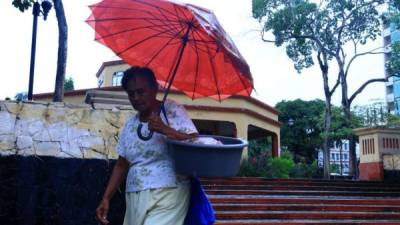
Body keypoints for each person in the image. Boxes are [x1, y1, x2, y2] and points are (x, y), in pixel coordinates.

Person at [95, 66, 198, 225]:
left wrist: (165, 129)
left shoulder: (171, 110)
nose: (136, 97)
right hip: (135, 195)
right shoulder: (130, 124)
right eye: (131, 94)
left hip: (169, 192)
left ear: (155, 89)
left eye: (141, 91)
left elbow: (195, 142)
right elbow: (122, 164)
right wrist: (106, 198)